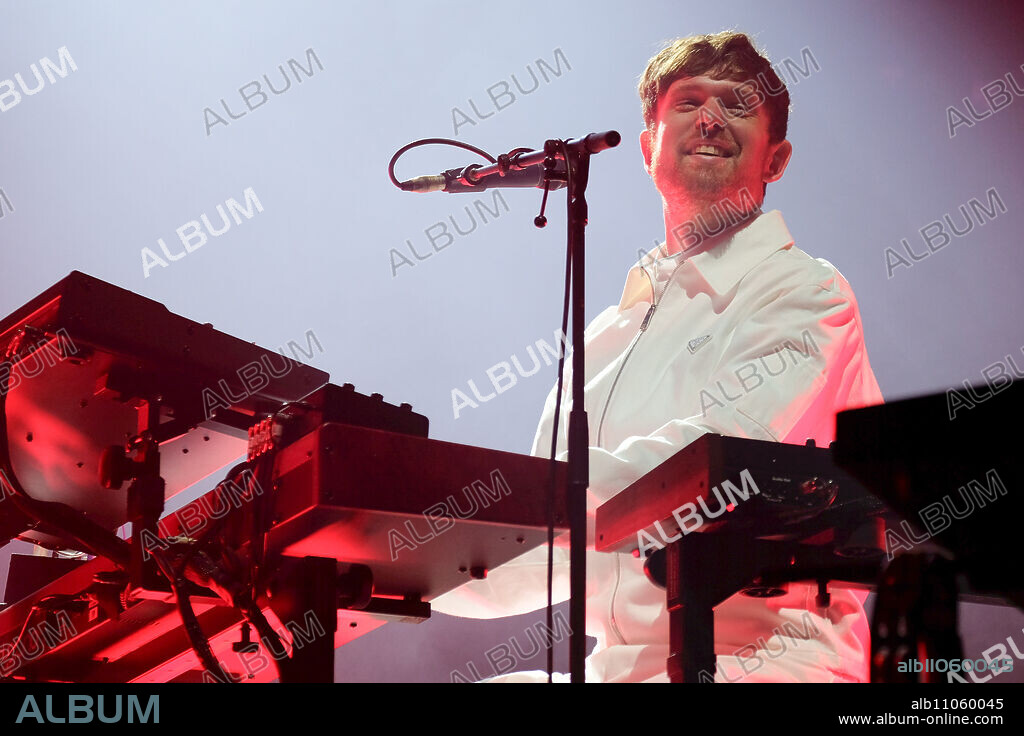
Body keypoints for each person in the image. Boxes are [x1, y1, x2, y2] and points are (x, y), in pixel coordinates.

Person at [433, 31, 884, 683]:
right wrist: (382, 556)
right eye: (689, 101)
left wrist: (483, 506)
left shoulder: (809, 293)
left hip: (765, 658)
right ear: (648, 148)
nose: (709, 117)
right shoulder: (605, 334)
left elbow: (711, 458)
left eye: (736, 105)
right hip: (618, 668)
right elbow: (538, 548)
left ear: (776, 158)